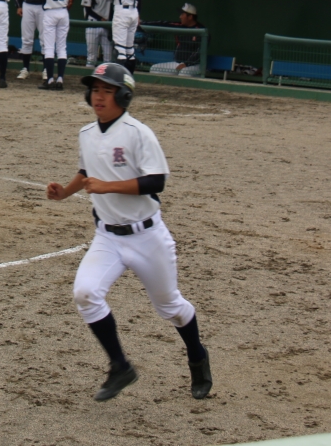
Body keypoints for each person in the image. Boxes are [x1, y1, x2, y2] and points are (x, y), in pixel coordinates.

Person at [46, 63, 213, 402]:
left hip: (147, 237)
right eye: (95, 90)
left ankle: (197, 356)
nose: (99, 97)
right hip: (107, 236)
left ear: (123, 96)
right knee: (86, 293)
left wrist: (108, 186)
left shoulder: (138, 133)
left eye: (107, 91)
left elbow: (156, 181)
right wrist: (64, 192)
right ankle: (120, 366)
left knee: (170, 307)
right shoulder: (86, 134)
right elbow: (86, 171)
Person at [143, 3, 205, 77]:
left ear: (190, 17)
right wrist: (143, 23)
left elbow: (200, 52)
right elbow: (163, 23)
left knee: (184, 73)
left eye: (182, 14)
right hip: (178, 63)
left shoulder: (201, 31)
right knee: (154, 68)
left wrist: (186, 64)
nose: (180, 17)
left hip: (195, 65)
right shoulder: (180, 26)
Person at [33, 0, 78, 90]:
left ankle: (50, 80)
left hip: (50, 12)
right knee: (61, 48)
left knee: (49, 48)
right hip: (63, 11)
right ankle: (60, 79)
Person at [14, 0, 46, 80]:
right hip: (27, 4)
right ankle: (25, 68)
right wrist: (18, 5)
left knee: (45, 39)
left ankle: (46, 69)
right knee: (27, 38)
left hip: (43, 5)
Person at [111, 0, 141, 73]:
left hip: (122, 11)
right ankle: (129, 79)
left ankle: (119, 80)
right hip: (134, 11)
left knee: (119, 51)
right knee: (129, 51)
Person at [81, 0, 113, 68]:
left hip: (106, 25)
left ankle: (106, 75)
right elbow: (88, 10)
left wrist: (109, 23)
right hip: (92, 24)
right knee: (92, 57)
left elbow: (111, 8)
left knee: (108, 57)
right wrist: (101, 19)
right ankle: (89, 75)